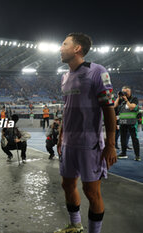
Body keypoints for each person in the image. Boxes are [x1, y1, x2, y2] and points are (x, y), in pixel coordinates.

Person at [56, 33, 117, 233]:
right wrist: (60, 136)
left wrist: (110, 144)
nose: (60, 47)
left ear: (77, 49)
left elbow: (109, 109)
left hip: (89, 144)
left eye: (64, 44)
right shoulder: (64, 77)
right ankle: (75, 225)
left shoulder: (97, 72)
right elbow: (66, 109)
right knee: (67, 185)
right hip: (68, 144)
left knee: (91, 192)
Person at [114, 86, 140, 161]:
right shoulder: (121, 99)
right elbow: (114, 106)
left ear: (130, 91)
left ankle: (137, 155)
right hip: (123, 122)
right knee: (123, 139)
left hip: (132, 122)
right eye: (123, 91)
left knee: (134, 139)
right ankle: (123, 153)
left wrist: (126, 100)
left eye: (126, 91)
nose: (125, 93)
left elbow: (131, 107)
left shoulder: (134, 99)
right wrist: (119, 97)